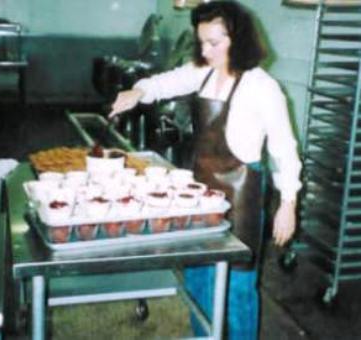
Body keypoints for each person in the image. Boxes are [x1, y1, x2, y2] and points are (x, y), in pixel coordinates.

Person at [109, 1, 301, 339]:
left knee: (238, 286)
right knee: (198, 276)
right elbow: (168, 81)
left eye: (214, 43)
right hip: (201, 192)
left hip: (242, 194)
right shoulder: (205, 72)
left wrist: (288, 204)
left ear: (237, 39)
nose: (205, 50)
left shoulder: (262, 87)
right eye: (202, 42)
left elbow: (284, 150)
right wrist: (138, 91)